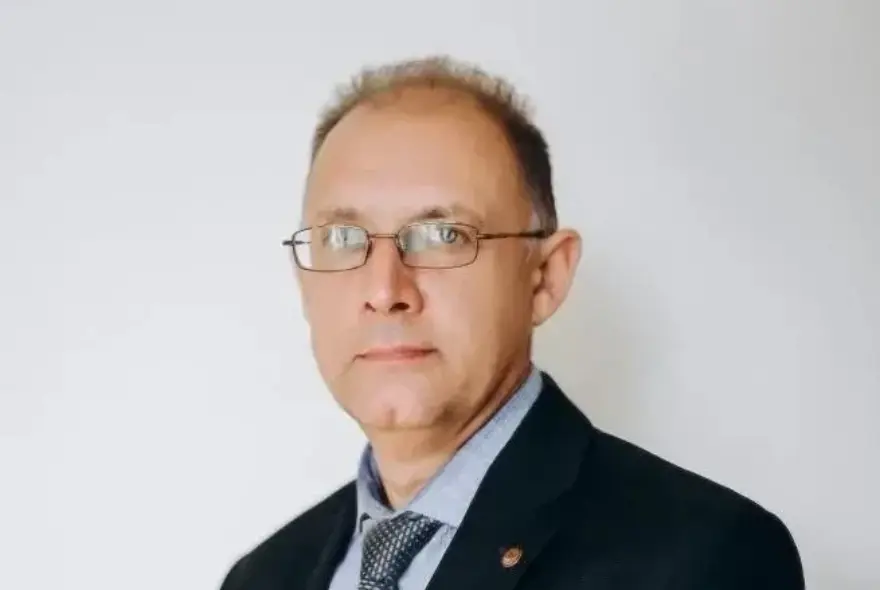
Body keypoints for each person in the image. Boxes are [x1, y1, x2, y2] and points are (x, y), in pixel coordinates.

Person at [219, 55, 804, 590]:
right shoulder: (263, 577)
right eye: (344, 239)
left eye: (443, 235)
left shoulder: (704, 558)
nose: (385, 291)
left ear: (545, 277)